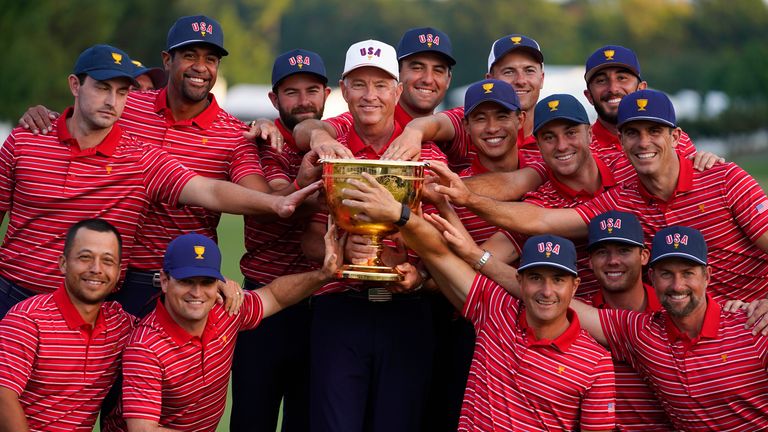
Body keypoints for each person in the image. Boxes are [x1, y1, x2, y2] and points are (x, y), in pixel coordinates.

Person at [17, 16, 316, 317]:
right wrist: (43, 115)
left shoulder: (234, 134)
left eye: (210, 59)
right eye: (189, 56)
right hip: (111, 274)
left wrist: (294, 189)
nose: (201, 67)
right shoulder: (128, 105)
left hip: (183, 279)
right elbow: (84, 118)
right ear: (167, 60)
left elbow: (260, 201)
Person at [429, 89, 768, 303]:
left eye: (654, 131)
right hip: (625, 327)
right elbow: (540, 218)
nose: (643, 142)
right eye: (633, 133)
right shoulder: (623, 198)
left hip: (744, 318)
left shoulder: (717, 176)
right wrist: (463, 201)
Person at [339, 181, 617, 430]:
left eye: (558, 280)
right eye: (535, 278)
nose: (546, 291)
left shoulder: (595, 362)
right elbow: (438, 254)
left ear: (575, 286)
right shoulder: (497, 311)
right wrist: (401, 215)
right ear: (519, 280)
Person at [301, 39, 446, 432]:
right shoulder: (331, 149)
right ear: (343, 90)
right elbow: (309, 236)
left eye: (381, 85)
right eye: (359, 84)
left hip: (405, 309)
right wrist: (340, 250)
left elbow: (442, 237)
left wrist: (418, 271)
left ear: (397, 92)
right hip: (339, 307)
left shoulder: (425, 153)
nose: (370, 96)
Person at [102, 227, 341, 432]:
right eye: (186, 281)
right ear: (165, 281)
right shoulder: (145, 347)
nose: (197, 293)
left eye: (206, 282)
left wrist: (323, 275)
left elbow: (274, 296)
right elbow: (143, 430)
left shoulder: (225, 311)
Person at [569, 225, 768, 430]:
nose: (677, 285)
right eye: (666, 274)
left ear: (707, 276)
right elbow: (560, 302)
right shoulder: (644, 333)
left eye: (688, 273)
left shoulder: (753, 326)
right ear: (653, 277)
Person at [230, 48, 330, 432]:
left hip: (322, 305)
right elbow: (276, 201)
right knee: (252, 418)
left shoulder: (339, 138)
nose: (304, 101)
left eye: (312, 90)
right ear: (274, 99)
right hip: (263, 306)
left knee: (307, 421)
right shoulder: (258, 141)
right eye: (291, 92)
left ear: (326, 93)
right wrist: (306, 182)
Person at [0, 219, 134, 431]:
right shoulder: (27, 320)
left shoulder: (121, 326)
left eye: (107, 261)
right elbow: (3, 396)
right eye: (85, 258)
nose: (96, 269)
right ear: (63, 263)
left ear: (118, 273)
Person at [292, 27, 456, 159]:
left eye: (438, 70)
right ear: (399, 73)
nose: (427, 79)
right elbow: (304, 129)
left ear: (448, 79)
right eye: (417, 68)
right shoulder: (368, 115)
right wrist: (319, 136)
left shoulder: (464, 124)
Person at [585, 211, 672, 430]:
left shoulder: (674, 310)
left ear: (644, 257)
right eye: (602, 252)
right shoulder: (576, 313)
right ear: (590, 262)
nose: (613, 261)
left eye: (624, 251)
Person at [583, 45, 699, 159]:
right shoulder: (581, 150)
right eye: (601, 80)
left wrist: (709, 162)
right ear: (589, 96)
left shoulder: (672, 137)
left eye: (622, 78)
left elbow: (700, 174)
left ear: (641, 88)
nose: (613, 89)